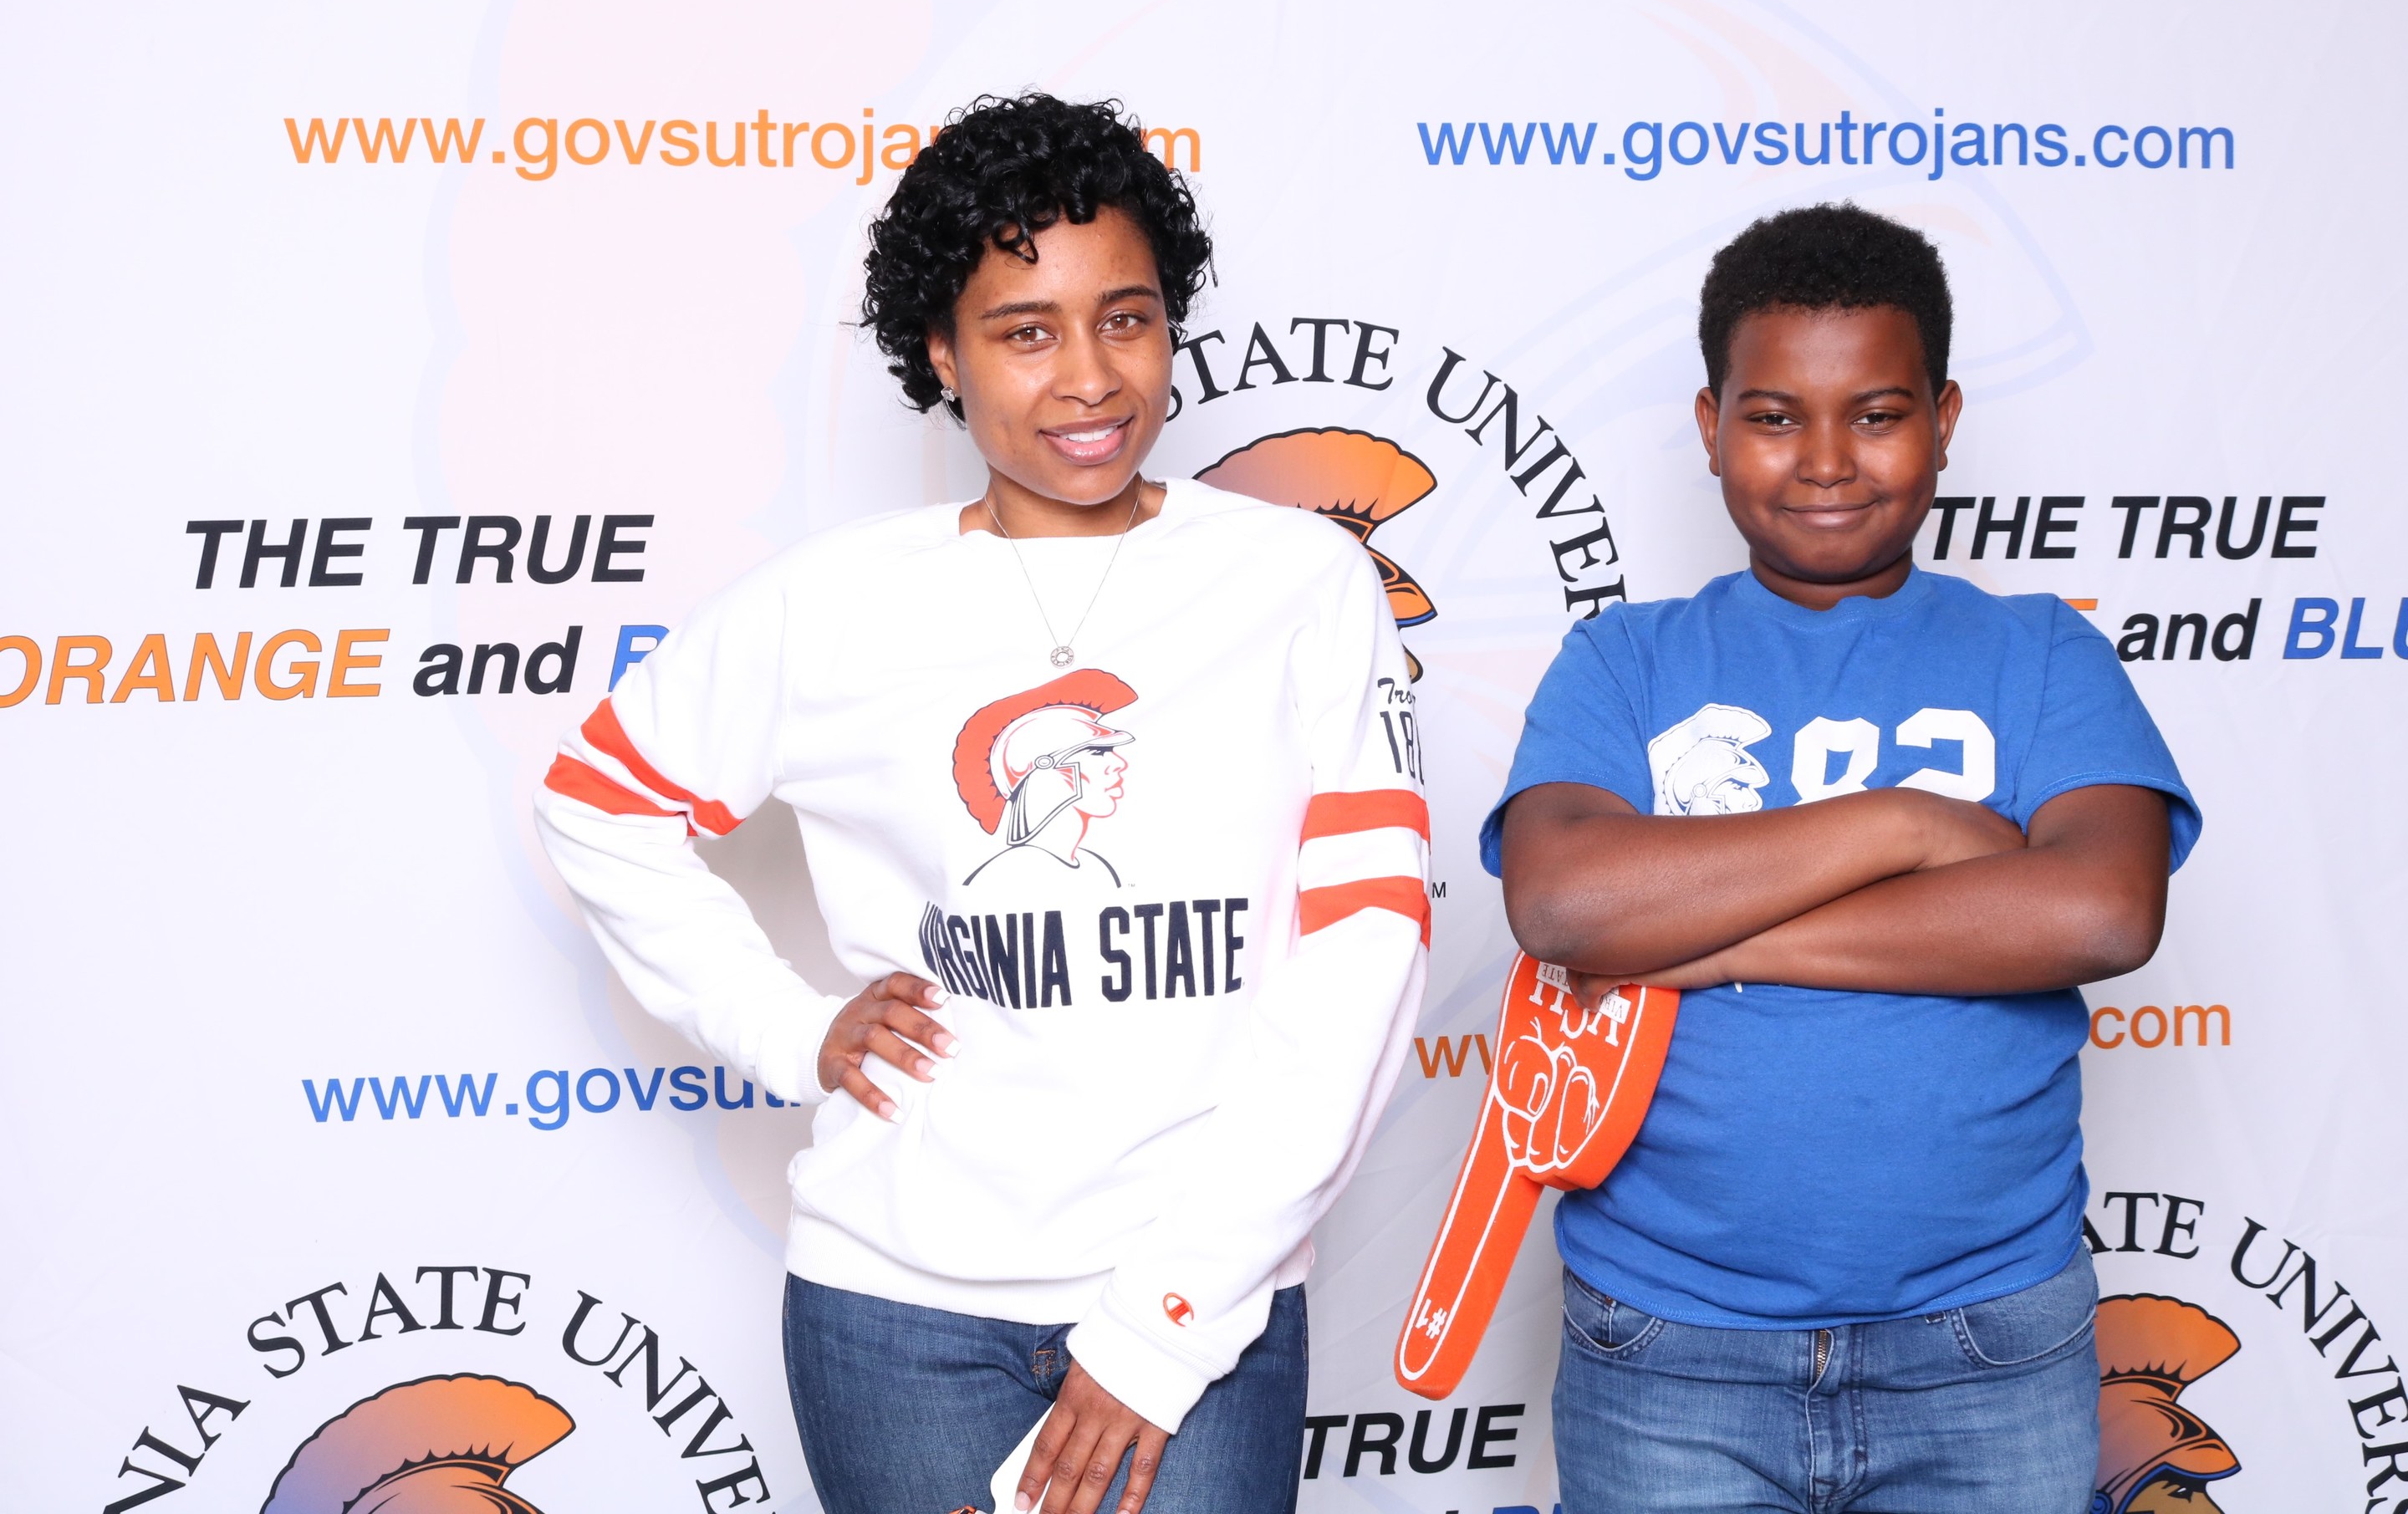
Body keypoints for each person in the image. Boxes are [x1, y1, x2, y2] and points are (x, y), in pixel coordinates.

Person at [532, 93, 1429, 1514]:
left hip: (1200, 1301)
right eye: (1025, 332)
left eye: (1126, 319)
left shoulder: (1299, 583)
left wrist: (1165, 1323)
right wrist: (784, 1028)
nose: (1090, 378)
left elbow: (1366, 956)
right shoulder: (834, 607)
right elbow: (599, 801)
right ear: (943, 354)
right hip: (896, 1319)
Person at [1487, 203, 2200, 1511]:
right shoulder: (1626, 661)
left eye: (1876, 414)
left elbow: (2101, 912)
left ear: (1945, 418)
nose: (1826, 460)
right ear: (1711, 427)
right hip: (1669, 1343)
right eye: (1774, 417)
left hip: (1987, 1342)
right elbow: (1565, 902)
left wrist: (1709, 933)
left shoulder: (2042, 653)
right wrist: (1905, 826)